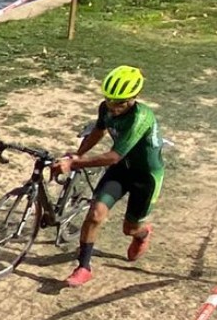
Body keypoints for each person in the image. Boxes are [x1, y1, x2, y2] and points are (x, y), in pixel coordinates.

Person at [52, 65, 165, 288]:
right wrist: (79, 153)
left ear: (133, 98)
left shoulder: (140, 118)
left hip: (146, 177)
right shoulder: (106, 107)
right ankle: (84, 267)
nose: (113, 107)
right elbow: (98, 131)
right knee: (95, 214)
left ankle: (142, 234)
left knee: (129, 229)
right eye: (109, 100)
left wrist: (74, 163)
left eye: (119, 103)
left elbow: (113, 156)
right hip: (122, 170)